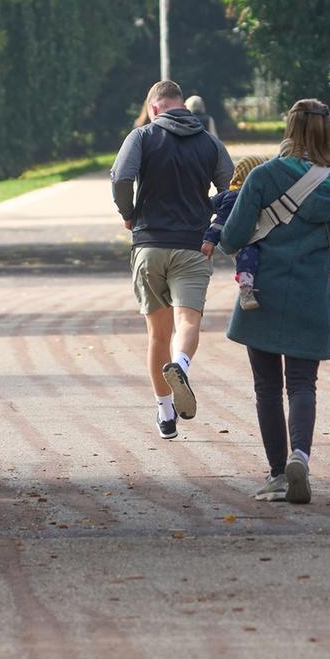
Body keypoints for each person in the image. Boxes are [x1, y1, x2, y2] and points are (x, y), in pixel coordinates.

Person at [219, 100, 330, 504]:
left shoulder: (263, 176)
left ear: (290, 129)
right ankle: (301, 454)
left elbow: (232, 237)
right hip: (310, 295)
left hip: (261, 294)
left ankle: (278, 473)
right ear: (328, 134)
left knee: (266, 387)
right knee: (302, 384)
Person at [111, 80, 234, 440]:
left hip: (149, 245)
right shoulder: (210, 142)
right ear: (182, 106)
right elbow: (232, 189)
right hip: (193, 246)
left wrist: (128, 212)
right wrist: (217, 225)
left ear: (154, 108)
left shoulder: (143, 137)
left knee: (156, 335)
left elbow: (121, 177)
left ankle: (165, 415)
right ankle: (180, 366)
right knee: (188, 323)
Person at [204, 155, 270, 310]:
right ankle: (246, 291)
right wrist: (209, 240)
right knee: (249, 255)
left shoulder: (229, 193)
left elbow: (208, 205)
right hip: (245, 240)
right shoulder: (237, 197)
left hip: (248, 236)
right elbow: (220, 220)